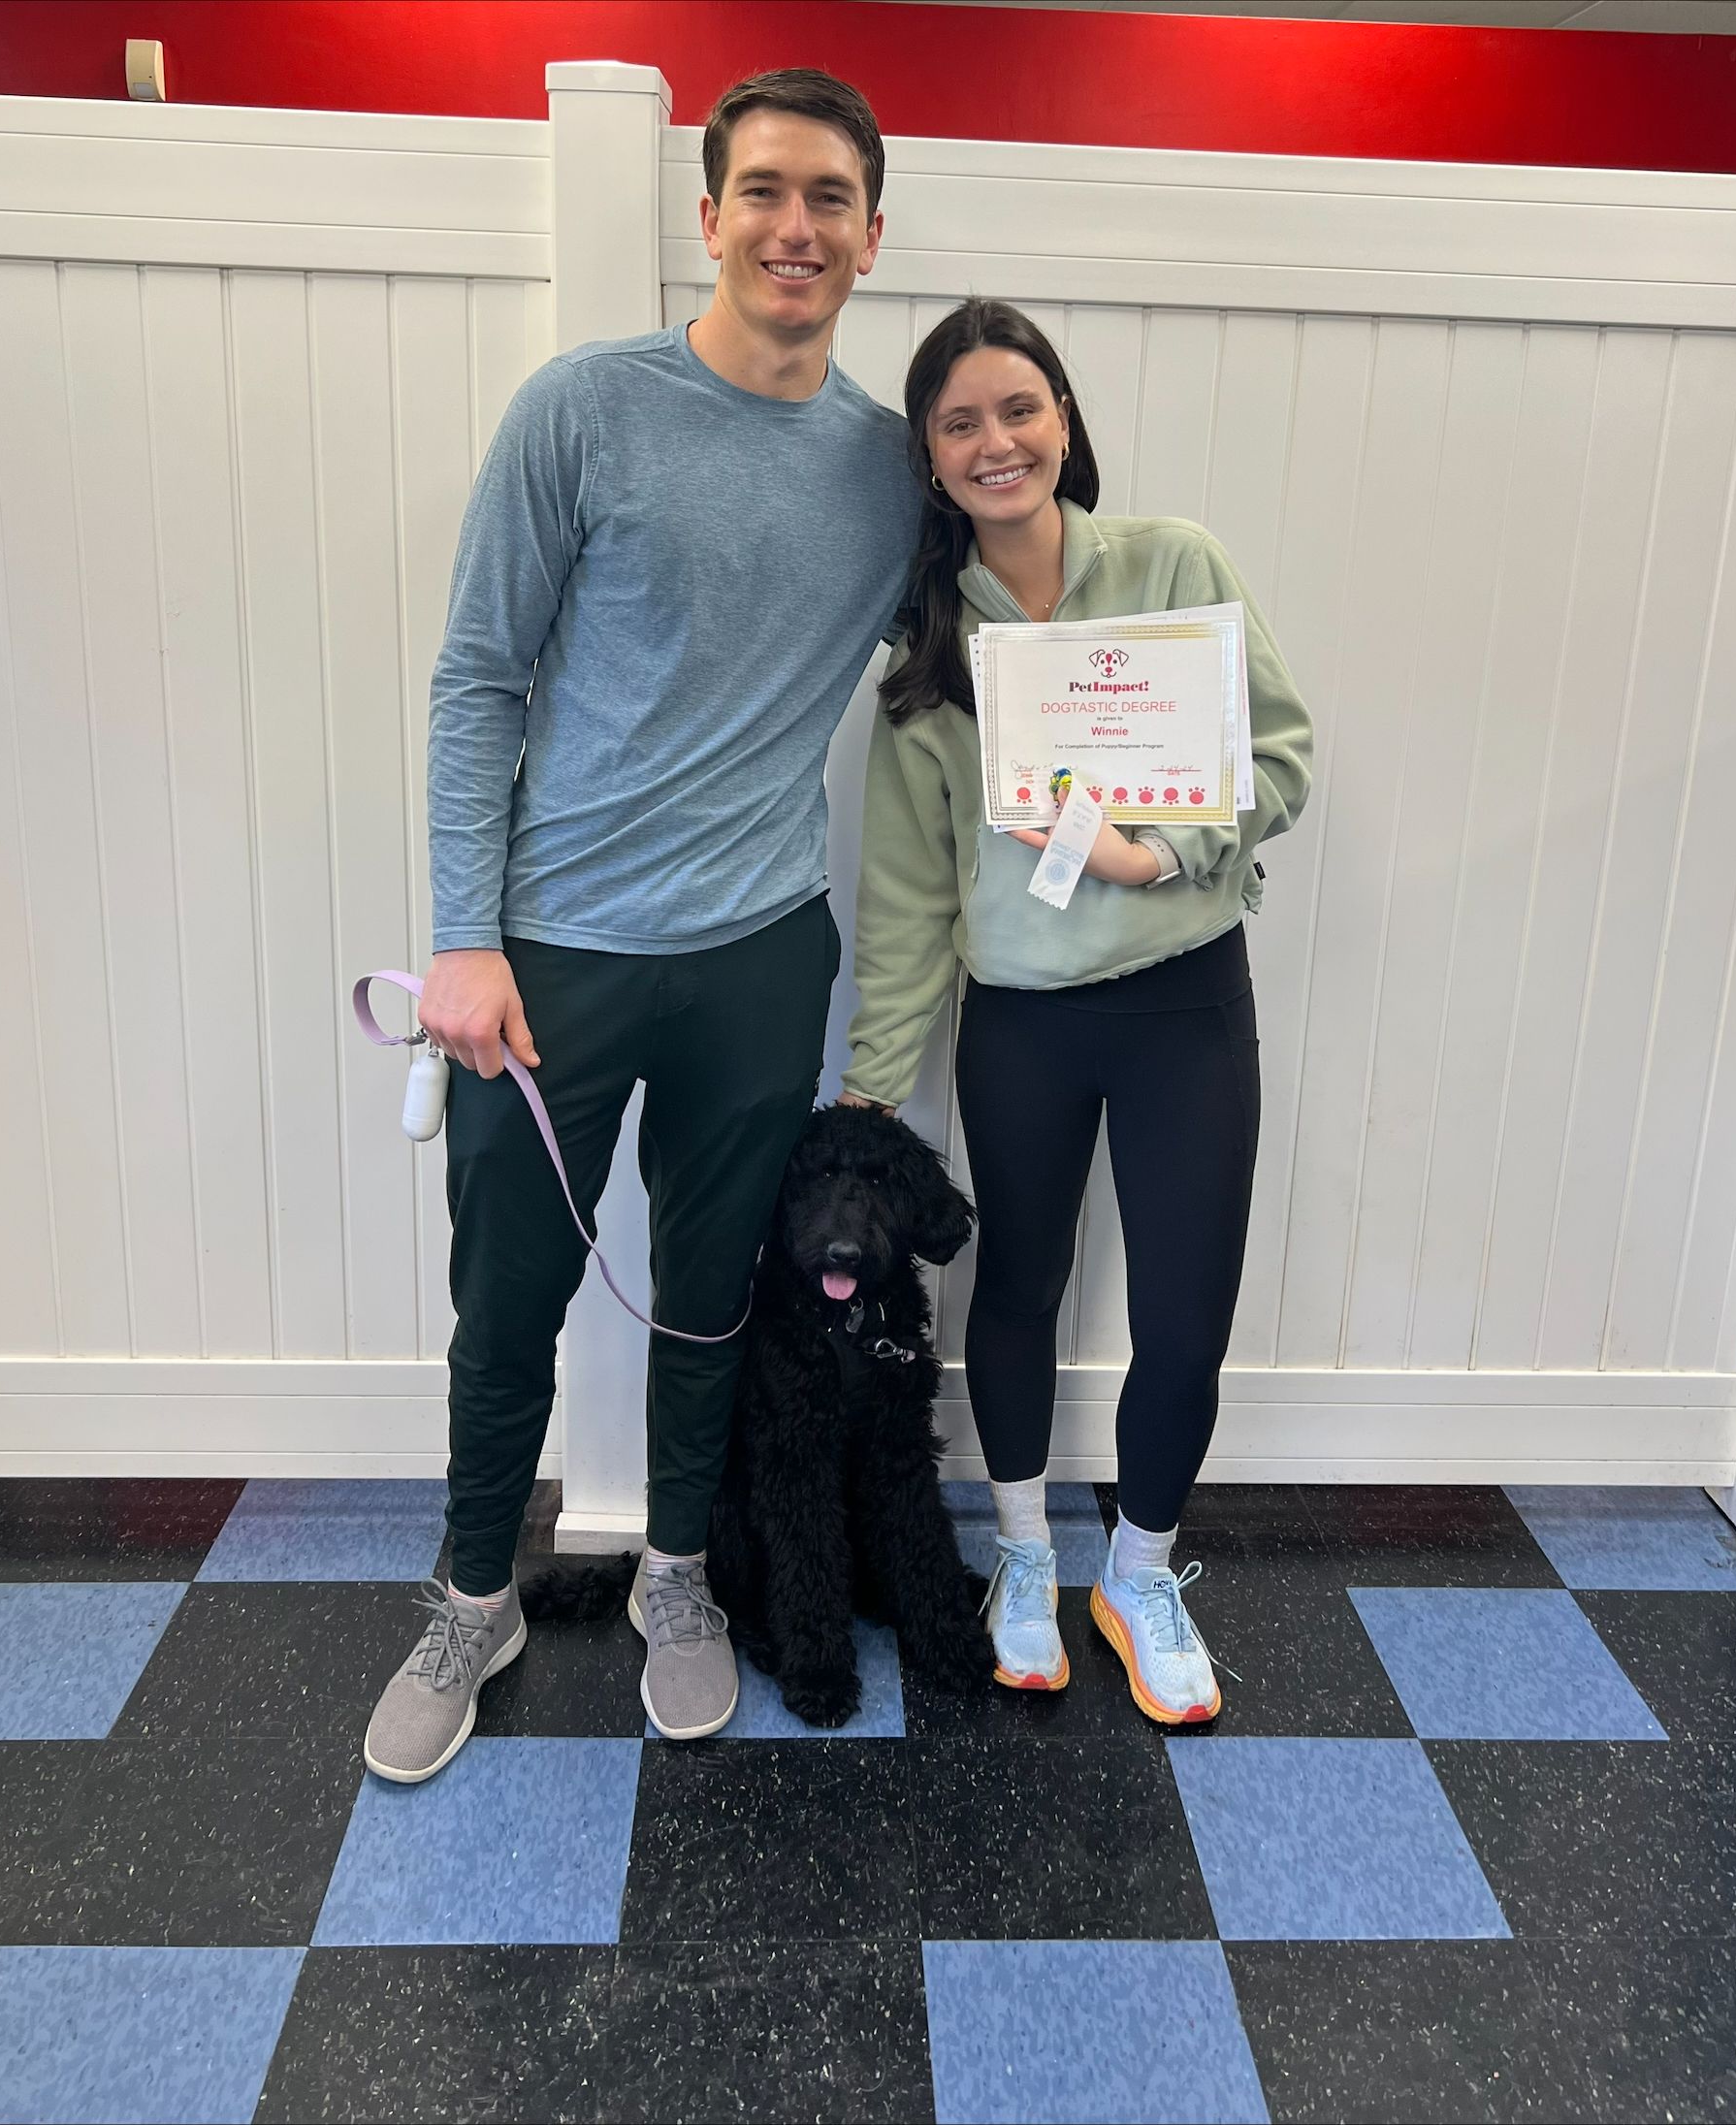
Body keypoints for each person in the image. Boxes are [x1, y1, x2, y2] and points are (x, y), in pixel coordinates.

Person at [364, 70, 917, 1776]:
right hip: (551, 961)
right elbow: (475, 680)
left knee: (707, 1296)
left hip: (760, 954)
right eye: (763, 191)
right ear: (709, 215)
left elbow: (1025, 619)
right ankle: (475, 1593)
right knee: (508, 1295)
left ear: (871, 235)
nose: (794, 226)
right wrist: (465, 935)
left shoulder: (894, 471)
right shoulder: (582, 411)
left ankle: (680, 1578)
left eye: (828, 198)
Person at [841, 299, 1313, 1723]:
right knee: (1017, 1290)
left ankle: (1145, 1574)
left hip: (1182, 1005)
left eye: (1018, 410)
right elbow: (910, 902)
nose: (997, 442)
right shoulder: (925, 659)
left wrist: (1156, 854)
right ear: (929, 460)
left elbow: (1279, 765)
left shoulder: (1174, 570)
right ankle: (1029, 1558)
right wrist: (871, 1084)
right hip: (1024, 1023)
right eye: (960, 423)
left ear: (1063, 422)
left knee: (1183, 1316)